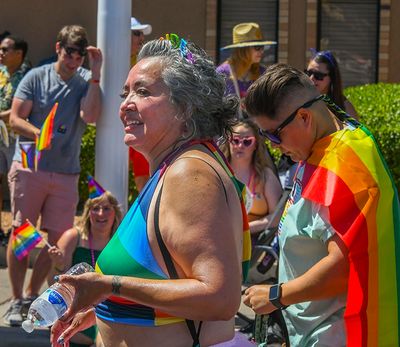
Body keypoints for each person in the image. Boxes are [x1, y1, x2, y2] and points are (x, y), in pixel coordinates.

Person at [50, 35, 252, 347]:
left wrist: (110, 287)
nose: (125, 104)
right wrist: (106, 309)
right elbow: (164, 281)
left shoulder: (190, 173)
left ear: (185, 108)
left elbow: (220, 298)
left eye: (143, 92)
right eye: (125, 92)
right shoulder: (172, 167)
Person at [242, 63, 400, 346]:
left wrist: (277, 296)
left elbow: (345, 268)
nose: (273, 145)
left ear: (304, 117)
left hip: (341, 335)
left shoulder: (346, 163)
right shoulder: (318, 148)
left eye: (274, 135)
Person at [4, 25, 102, 327]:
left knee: (58, 241)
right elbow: (16, 118)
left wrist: (96, 72)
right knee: (22, 233)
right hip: (29, 163)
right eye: (69, 52)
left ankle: (34, 294)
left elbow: (90, 116)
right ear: (59, 48)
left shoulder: (86, 79)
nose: (74, 59)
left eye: (79, 54)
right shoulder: (37, 76)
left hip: (65, 170)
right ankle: (17, 299)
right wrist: (38, 133)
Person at [48, 188, 122, 347]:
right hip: (75, 324)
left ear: (115, 212)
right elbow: (53, 287)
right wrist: (59, 266)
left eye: (106, 208)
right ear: (88, 213)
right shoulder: (73, 238)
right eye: (95, 208)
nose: (101, 213)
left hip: (109, 320)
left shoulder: (121, 243)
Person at [221, 119, 282, 240]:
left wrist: (245, 229)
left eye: (247, 142)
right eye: (235, 140)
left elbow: (277, 217)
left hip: (254, 243)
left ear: (256, 145)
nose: (240, 146)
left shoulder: (265, 176)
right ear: (228, 142)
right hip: (222, 239)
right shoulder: (218, 173)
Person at [0, 35, 30, 237]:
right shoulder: (2, 73)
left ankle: (17, 231)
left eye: (5, 50)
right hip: (1, 136)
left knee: (17, 185)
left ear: (18, 53)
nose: (1, 53)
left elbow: (19, 110)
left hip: (18, 139)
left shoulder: (27, 76)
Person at [217, 22, 276, 118]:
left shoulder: (263, 73)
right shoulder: (222, 74)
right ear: (243, 49)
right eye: (257, 47)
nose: (262, 51)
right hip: (231, 131)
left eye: (262, 47)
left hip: (256, 131)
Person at [129, 16, 152, 193]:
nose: (142, 38)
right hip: (114, 130)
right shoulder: (109, 61)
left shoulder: (143, 63)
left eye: (142, 34)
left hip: (136, 123)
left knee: (144, 178)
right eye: (137, 33)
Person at [305, 49, 358, 118]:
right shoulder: (299, 101)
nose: (311, 78)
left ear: (332, 78)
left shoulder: (345, 108)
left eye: (318, 75)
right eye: (309, 73)